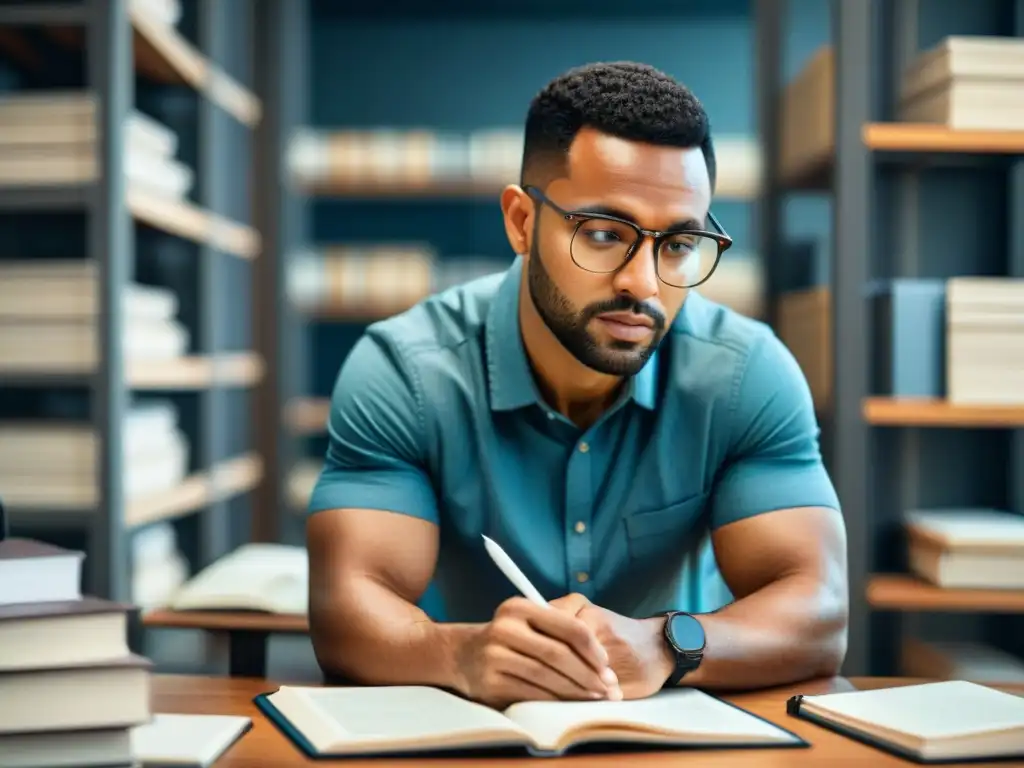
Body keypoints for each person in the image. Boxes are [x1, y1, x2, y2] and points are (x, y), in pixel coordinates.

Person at [306, 61, 848, 709]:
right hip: (469, 725)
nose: (643, 284)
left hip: (677, 728)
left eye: (677, 244)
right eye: (602, 234)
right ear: (522, 223)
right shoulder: (406, 370)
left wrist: (668, 645)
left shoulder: (745, 372)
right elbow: (345, 605)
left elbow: (819, 607)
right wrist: (460, 653)